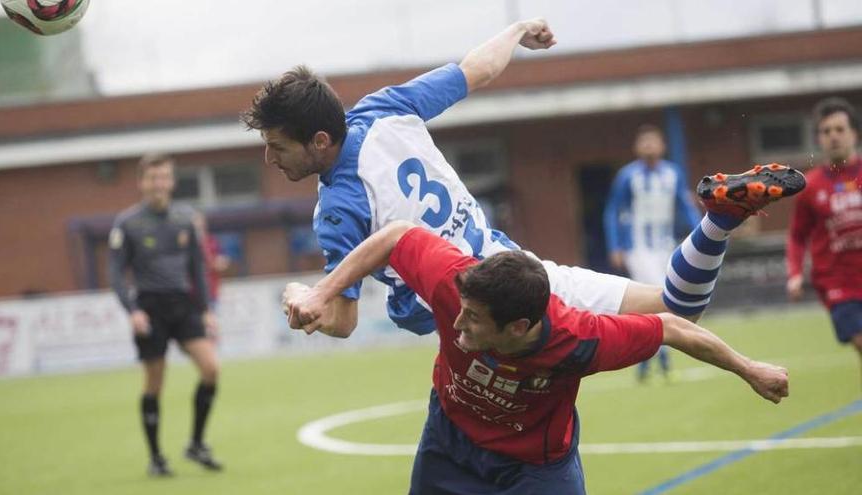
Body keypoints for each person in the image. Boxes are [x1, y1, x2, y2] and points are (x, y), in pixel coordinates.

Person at [242, 18, 805, 338]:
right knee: (675, 308)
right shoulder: (383, 110)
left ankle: (719, 221)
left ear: (320, 140)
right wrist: (516, 30)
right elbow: (474, 70)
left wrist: (303, 295)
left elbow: (340, 319)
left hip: (477, 326)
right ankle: (718, 223)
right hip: (520, 269)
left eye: (277, 148)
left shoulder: (337, 206)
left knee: (488, 453)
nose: (272, 161)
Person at [283, 221, 789, 493]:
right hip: (449, 442)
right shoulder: (453, 282)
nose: (456, 326)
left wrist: (750, 369)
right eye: (461, 311)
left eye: (474, 320)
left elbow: (673, 326)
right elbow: (396, 236)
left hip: (535, 469)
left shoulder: (580, 339)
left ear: (519, 327)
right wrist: (323, 293)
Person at [109, 154, 224, 476]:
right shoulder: (127, 223)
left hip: (184, 306)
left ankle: (196, 444)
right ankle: (156, 458)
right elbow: (116, 274)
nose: (159, 184)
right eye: (152, 178)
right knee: (154, 383)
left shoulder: (185, 220)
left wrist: (206, 311)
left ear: (171, 182)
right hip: (150, 308)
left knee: (211, 369)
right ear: (141, 182)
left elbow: (197, 269)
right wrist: (132, 312)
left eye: (164, 178)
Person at [604, 124, 702, 382]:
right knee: (660, 298)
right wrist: (615, 245)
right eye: (644, 142)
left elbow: (685, 205)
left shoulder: (673, 173)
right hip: (638, 249)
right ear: (637, 148)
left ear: (662, 146)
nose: (649, 146)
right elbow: (613, 211)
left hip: (665, 247)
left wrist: (702, 233)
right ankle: (660, 358)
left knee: (658, 304)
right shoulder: (627, 176)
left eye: (653, 141)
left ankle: (648, 360)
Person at [787, 97, 862, 387]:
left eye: (840, 129)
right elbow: (796, 235)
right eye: (826, 131)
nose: (833, 136)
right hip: (837, 284)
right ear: (818, 138)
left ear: (854, 133)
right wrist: (794, 274)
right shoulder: (811, 186)